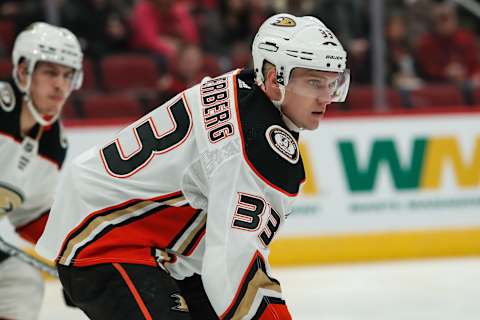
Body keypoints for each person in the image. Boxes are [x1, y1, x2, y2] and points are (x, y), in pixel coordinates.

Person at [36, 13, 349, 319]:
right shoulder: (255, 144)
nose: (326, 97)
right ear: (272, 78)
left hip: (140, 235)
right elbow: (232, 267)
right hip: (106, 238)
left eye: (332, 83)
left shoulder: (247, 91)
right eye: (313, 82)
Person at [0, 22, 83, 319]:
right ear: (23, 72)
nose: (60, 85)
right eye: (50, 72)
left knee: (20, 281)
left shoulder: (53, 145)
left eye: (67, 74)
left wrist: (74, 260)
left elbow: (31, 217)